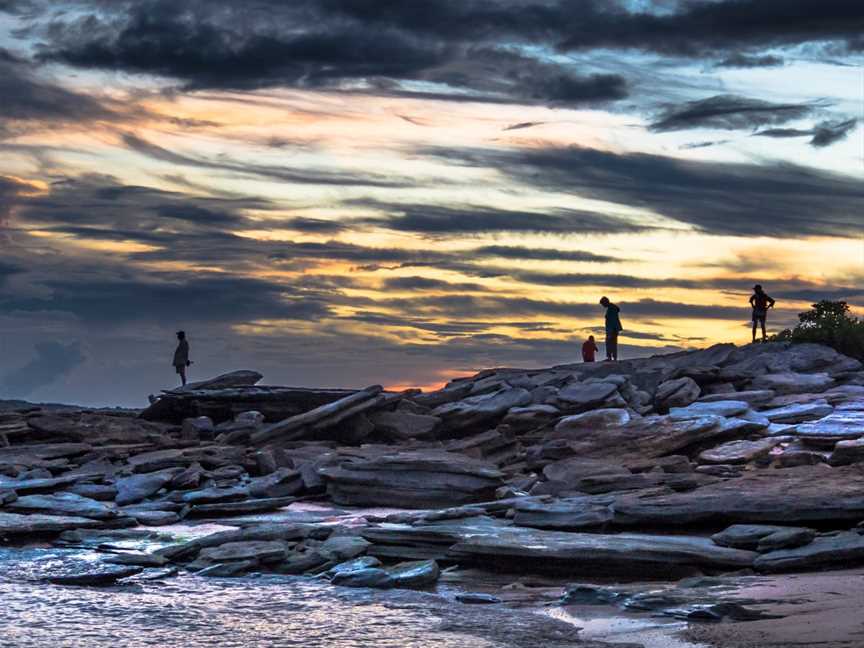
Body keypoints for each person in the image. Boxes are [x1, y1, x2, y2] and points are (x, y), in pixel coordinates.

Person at [599, 296, 623, 361]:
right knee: (611, 343)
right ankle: (612, 357)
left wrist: (612, 331)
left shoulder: (611, 309)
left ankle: (611, 357)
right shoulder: (611, 308)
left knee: (610, 343)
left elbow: (613, 320)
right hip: (612, 329)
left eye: (602, 304)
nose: (602, 305)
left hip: (612, 330)